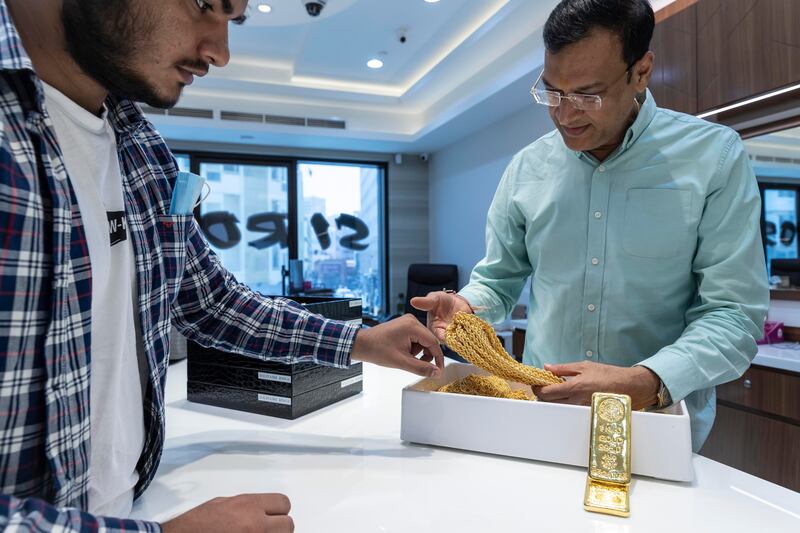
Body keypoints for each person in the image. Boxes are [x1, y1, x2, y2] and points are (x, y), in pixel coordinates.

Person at [0, 1, 443, 531]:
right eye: (204, 3)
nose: (221, 52)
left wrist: (361, 342)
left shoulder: (142, 151)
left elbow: (213, 303)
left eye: (234, 20)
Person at [413, 0, 769, 452]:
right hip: (542, 414)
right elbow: (498, 280)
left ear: (641, 72)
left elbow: (733, 315)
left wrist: (645, 380)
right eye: (552, 92)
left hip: (652, 424)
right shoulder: (527, 168)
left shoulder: (713, 158)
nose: (565, 114)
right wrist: (467, 305)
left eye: (586, 95)